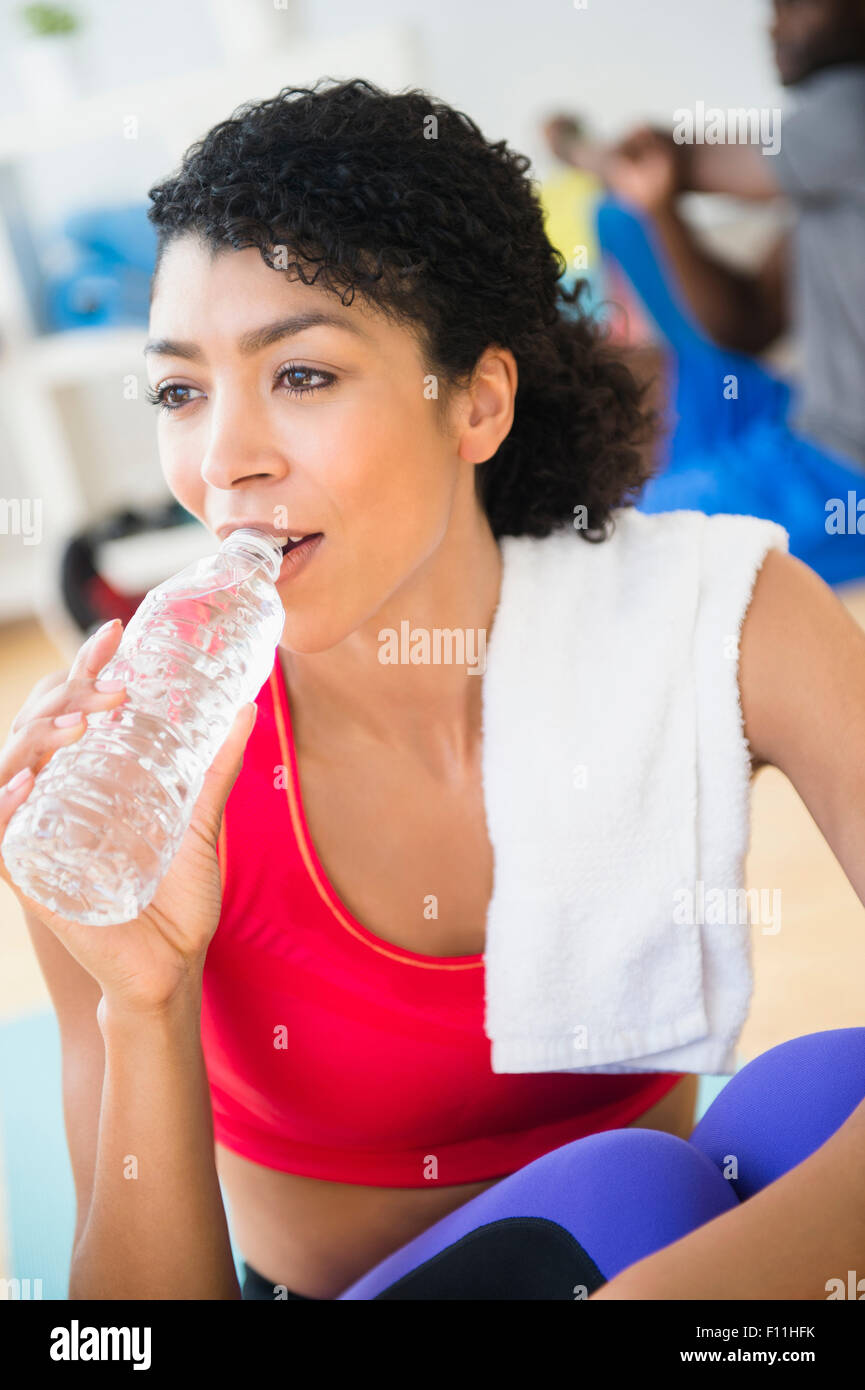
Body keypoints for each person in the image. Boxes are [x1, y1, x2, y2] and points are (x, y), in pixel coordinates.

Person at [2, 77, 865, 1301]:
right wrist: (143, 1006)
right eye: (181, 390)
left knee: (811, 1096)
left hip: (637, 1270)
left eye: (300, 375)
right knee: (623, 1193)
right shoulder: (127, 771)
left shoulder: (715, 619)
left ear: (477, 399)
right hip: (456, 1266)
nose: (224, 460)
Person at [543, 0, 865, 586]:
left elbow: (673, 158)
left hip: (846, 476)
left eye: (798, 6)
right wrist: (658, 205)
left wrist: (574, 146)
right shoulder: (830, 181)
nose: (775, 24)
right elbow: (751, 322)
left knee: (618, 549)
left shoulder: (850, 108)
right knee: (623, 215)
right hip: (804, 419)